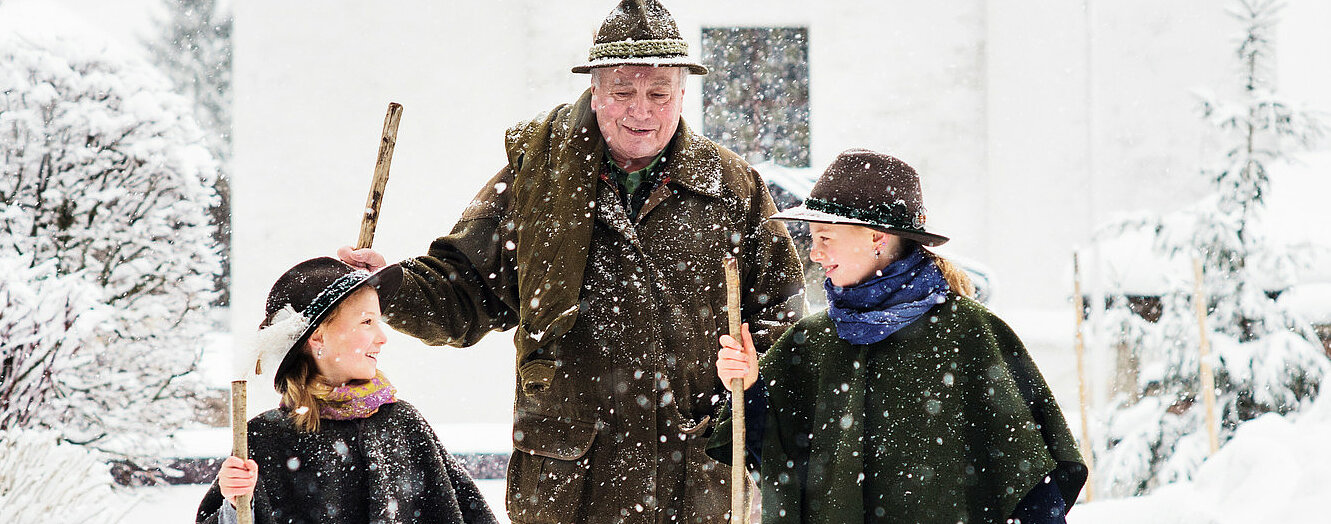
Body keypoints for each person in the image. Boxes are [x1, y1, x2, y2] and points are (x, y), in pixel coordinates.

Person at [336, 1, 805, 521]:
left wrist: (752, 374)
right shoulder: (539, 179)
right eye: (622, 91)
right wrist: (386, 286)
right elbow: (464, 291)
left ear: (682, 93)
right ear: (595, 90)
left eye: (658, 93)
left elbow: (781, 314)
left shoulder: (731, 189)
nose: (641, 111)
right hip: (570, 486)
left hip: (694, 487)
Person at [708, 149, 1088, 523]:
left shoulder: (971, 335)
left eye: (825, 237)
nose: (815, 254)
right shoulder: (811, 342)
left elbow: (1028, 484)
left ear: (877, 238)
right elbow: (779, 465)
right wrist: (750, 388)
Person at [196, 257, 496, 524]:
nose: (382, 337)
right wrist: (235, 505)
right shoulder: (267, 438)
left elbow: (467, 513)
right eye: (367, 321)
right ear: (318, 337)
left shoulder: (403, 424)